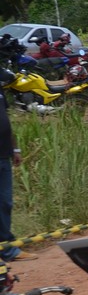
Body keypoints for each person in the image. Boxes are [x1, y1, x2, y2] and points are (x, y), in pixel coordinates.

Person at [1, 92, 32, 261]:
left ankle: (7, 249)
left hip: (4, 155)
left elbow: (5, 119)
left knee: (5, 203)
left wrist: (16, 149)